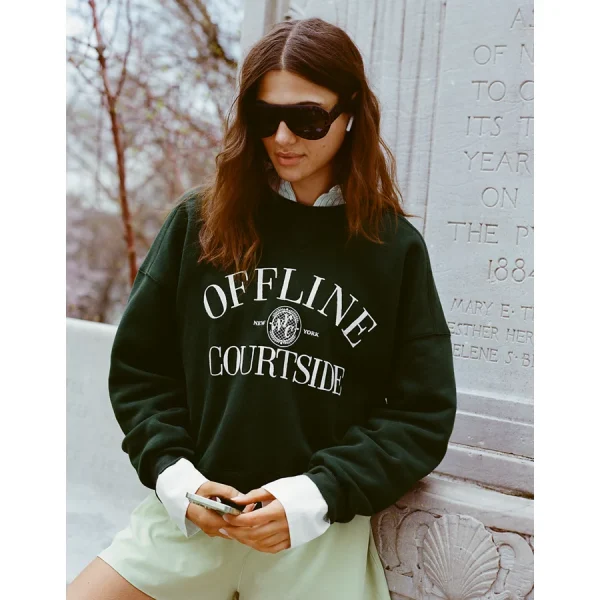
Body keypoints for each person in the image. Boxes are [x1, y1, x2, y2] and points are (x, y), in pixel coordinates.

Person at [67, 16, 457, 600]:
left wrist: (315, 496)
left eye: (307, 118)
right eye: (264, 116)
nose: (281, 137)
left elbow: (421, 415)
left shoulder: (391, 249)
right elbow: (140, 372)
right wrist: (177, 480)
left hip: (314, 538)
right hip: (191, 523)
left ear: (351, 113)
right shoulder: (200, 222)